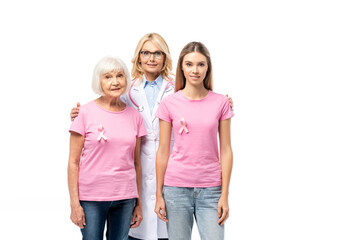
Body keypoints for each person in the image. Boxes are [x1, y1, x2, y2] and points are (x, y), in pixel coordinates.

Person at [70, 33, 233, 240]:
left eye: (157, 53)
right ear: (138, 57)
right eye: (146, 53)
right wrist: (78, 113)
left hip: (178, 171)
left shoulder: (178, 88)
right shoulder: (126, 88)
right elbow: (105, 105)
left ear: (165, 57)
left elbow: (202, 103)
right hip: (134, 171)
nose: (151, 58)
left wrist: (227, 103)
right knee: (136, 233)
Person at [154, 42, 234, 240]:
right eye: (189, 64)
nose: (195, 70)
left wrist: (225, 194)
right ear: (181, 66)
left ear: (208, 68)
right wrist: (158, 195)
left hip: (211, 190)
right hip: (175, 190)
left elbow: (226, 150)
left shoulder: (221, 102)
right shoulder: (169, 103)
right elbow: (163, 150)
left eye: (201, 64)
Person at [67, 56, 146, 240]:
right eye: (108, 77)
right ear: (99, 81)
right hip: (91, 198)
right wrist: (74, 204)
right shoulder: (84, 113)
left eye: (119, 75)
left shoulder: (135, 116)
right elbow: (73, 162)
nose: (115, 81)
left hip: (125, 197)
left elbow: (136, 163)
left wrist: (138, 204)